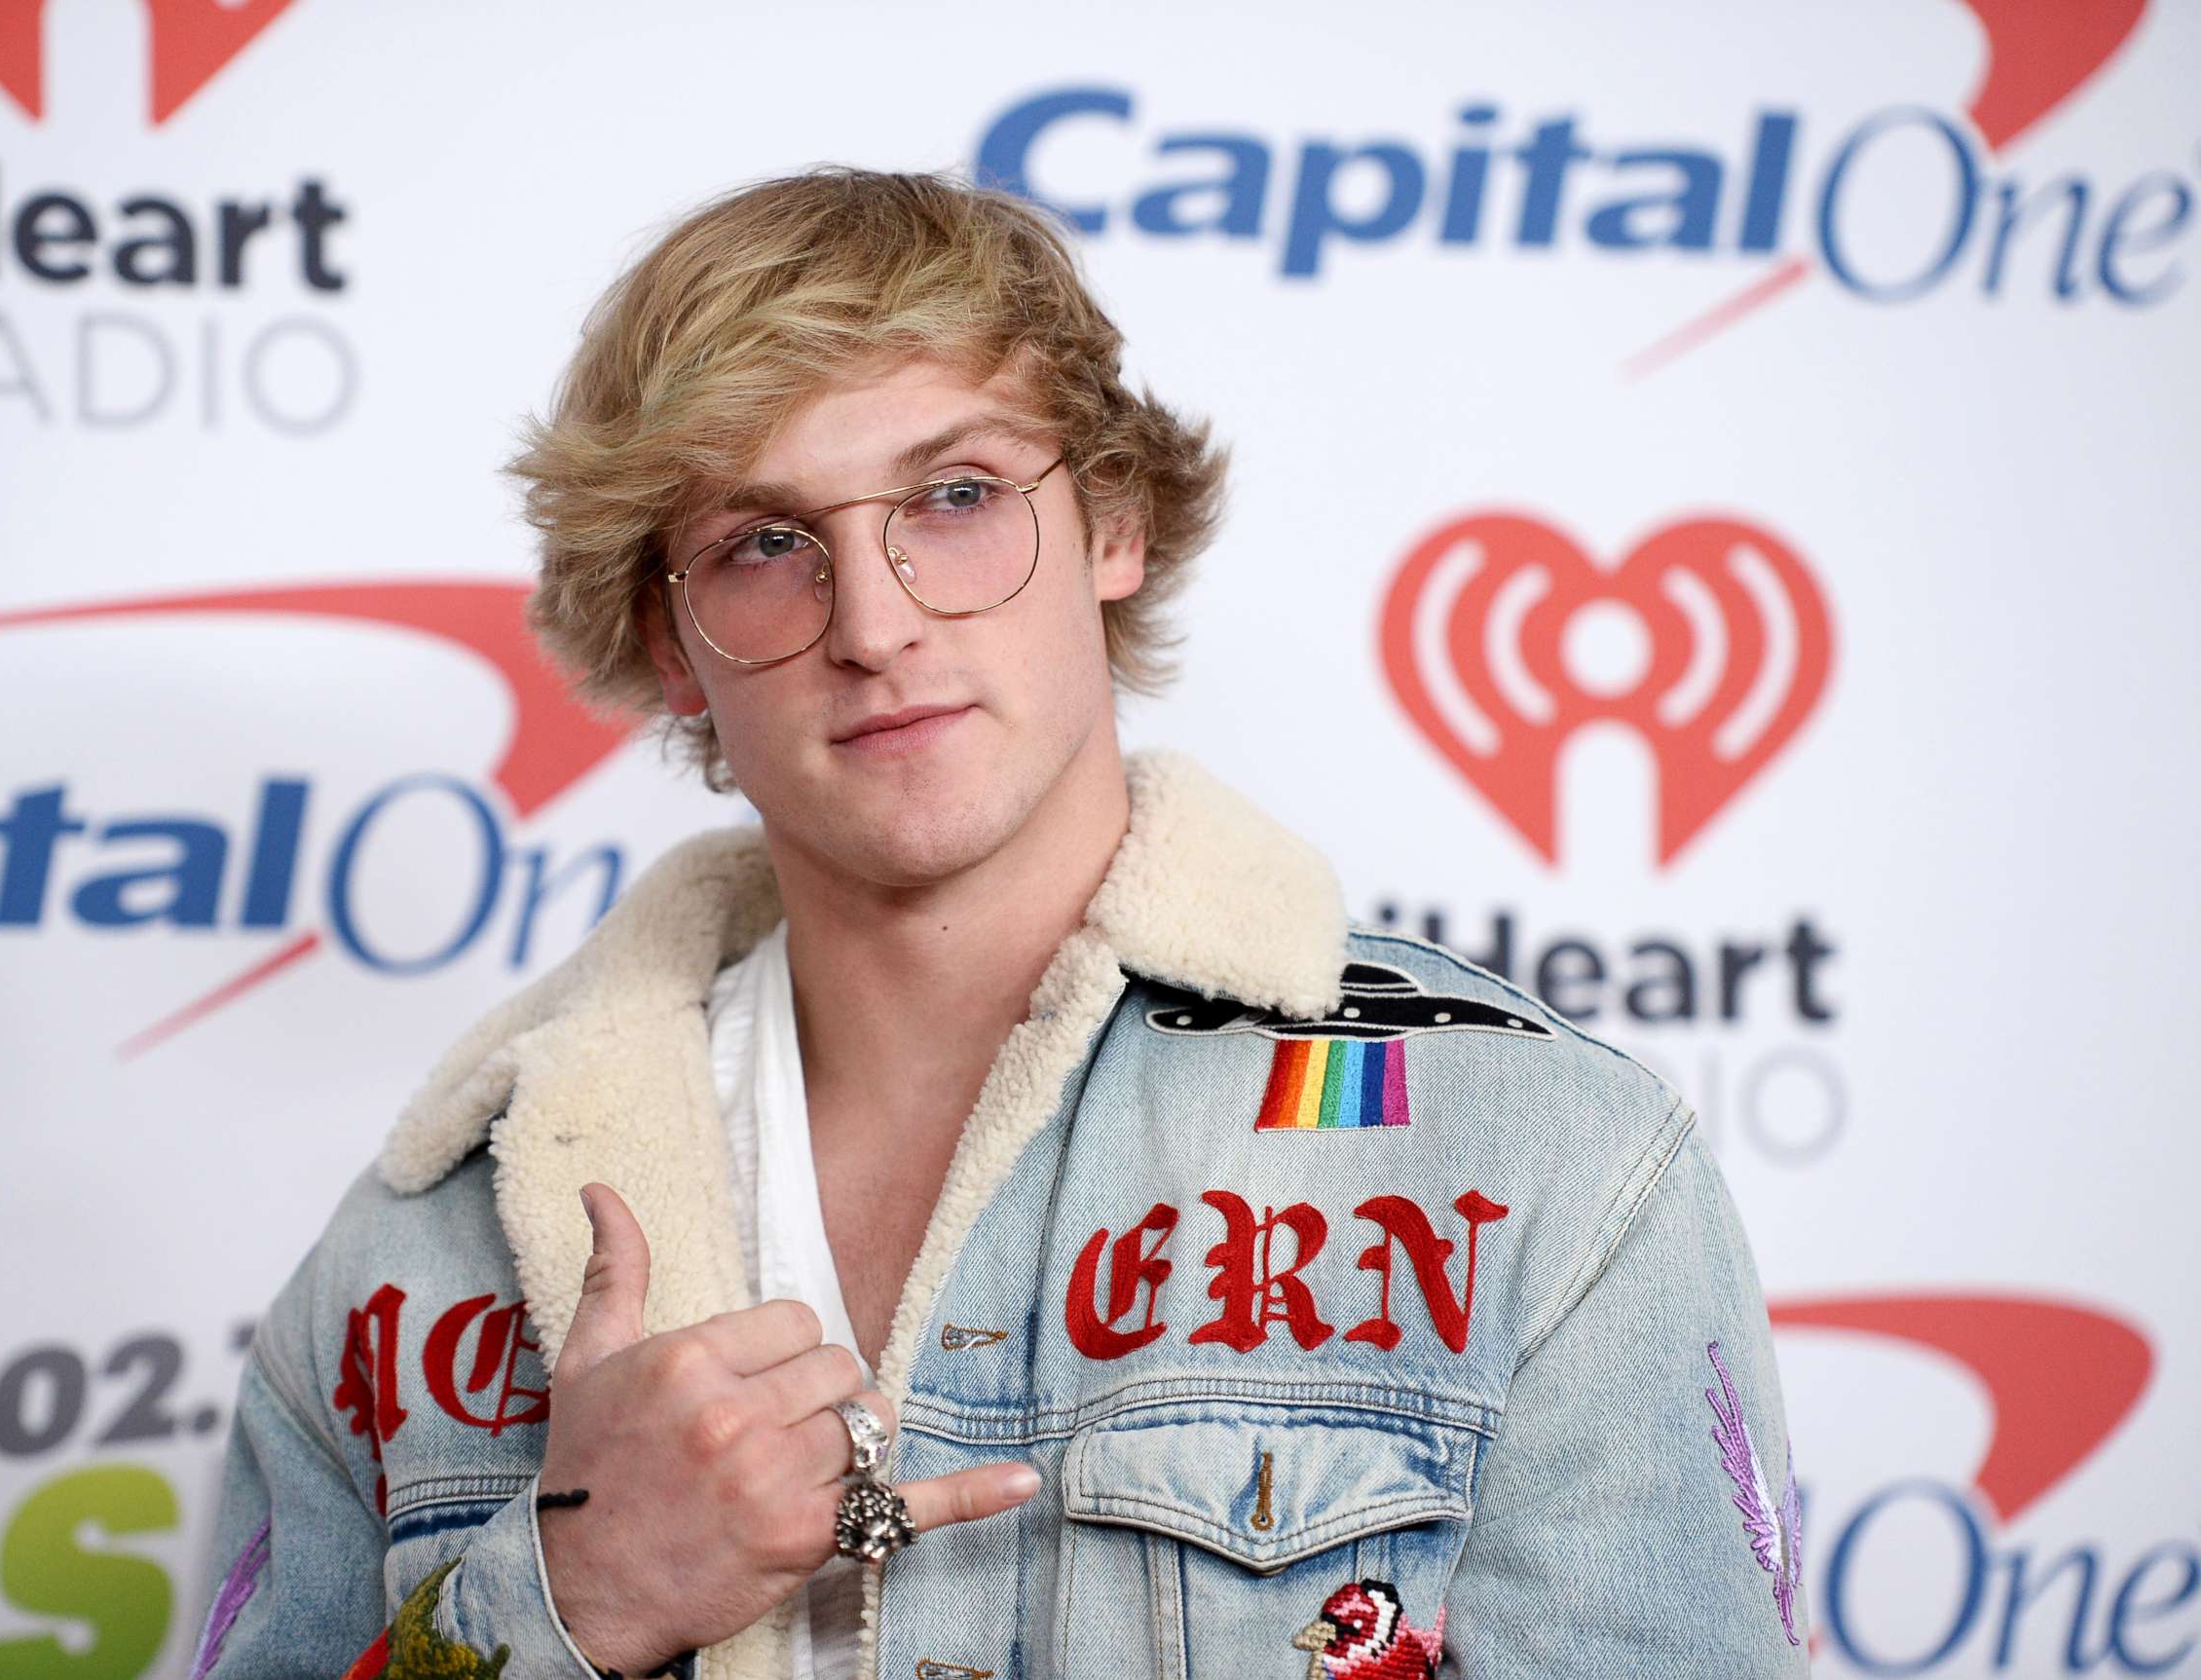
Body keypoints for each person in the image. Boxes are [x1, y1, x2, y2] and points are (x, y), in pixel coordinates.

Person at [189, 168, 1809, 1680]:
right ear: (672, 643)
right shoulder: (413, 1259)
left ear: (1114, 524)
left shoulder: (1539, 1158)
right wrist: (569, 1599)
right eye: (765, 543)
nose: (877, 624)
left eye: (955, 495)